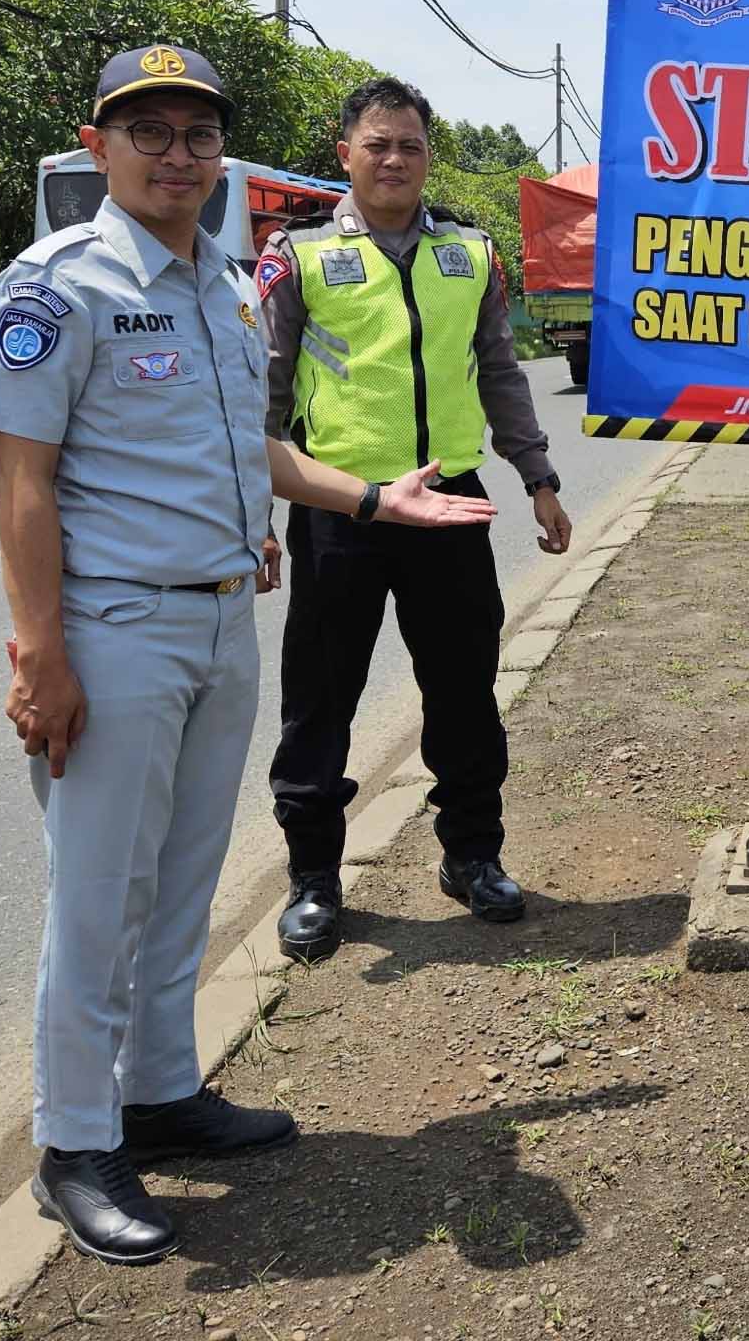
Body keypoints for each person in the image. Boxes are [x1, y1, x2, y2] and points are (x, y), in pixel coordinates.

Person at [0, 45, 495, 1266]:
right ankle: (74, 1143)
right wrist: (40, 651)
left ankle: (159, 1093)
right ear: (98, 148)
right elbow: (22, 484)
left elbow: (249, 450)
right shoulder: (57, 287)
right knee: (99, 895)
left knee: (186, 878)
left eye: (198, 136)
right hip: (112, 626)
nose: (178, 156)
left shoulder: (224, 282)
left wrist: (372, 500)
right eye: (147, 132)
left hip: (217, 616)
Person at [260, 77, 573, 962]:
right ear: (345, 153)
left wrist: (539, 479)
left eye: (411, 145)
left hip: (452, 507)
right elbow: (266, 399)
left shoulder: (470, 254)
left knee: (465, 691)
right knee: (319, 703)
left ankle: (473, 855)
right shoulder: (300, 255)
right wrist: (259, 516)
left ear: (429, 157)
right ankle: (314, 877)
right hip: (339, 509)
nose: (394, 159)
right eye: (378, 144)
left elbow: (501, 373)